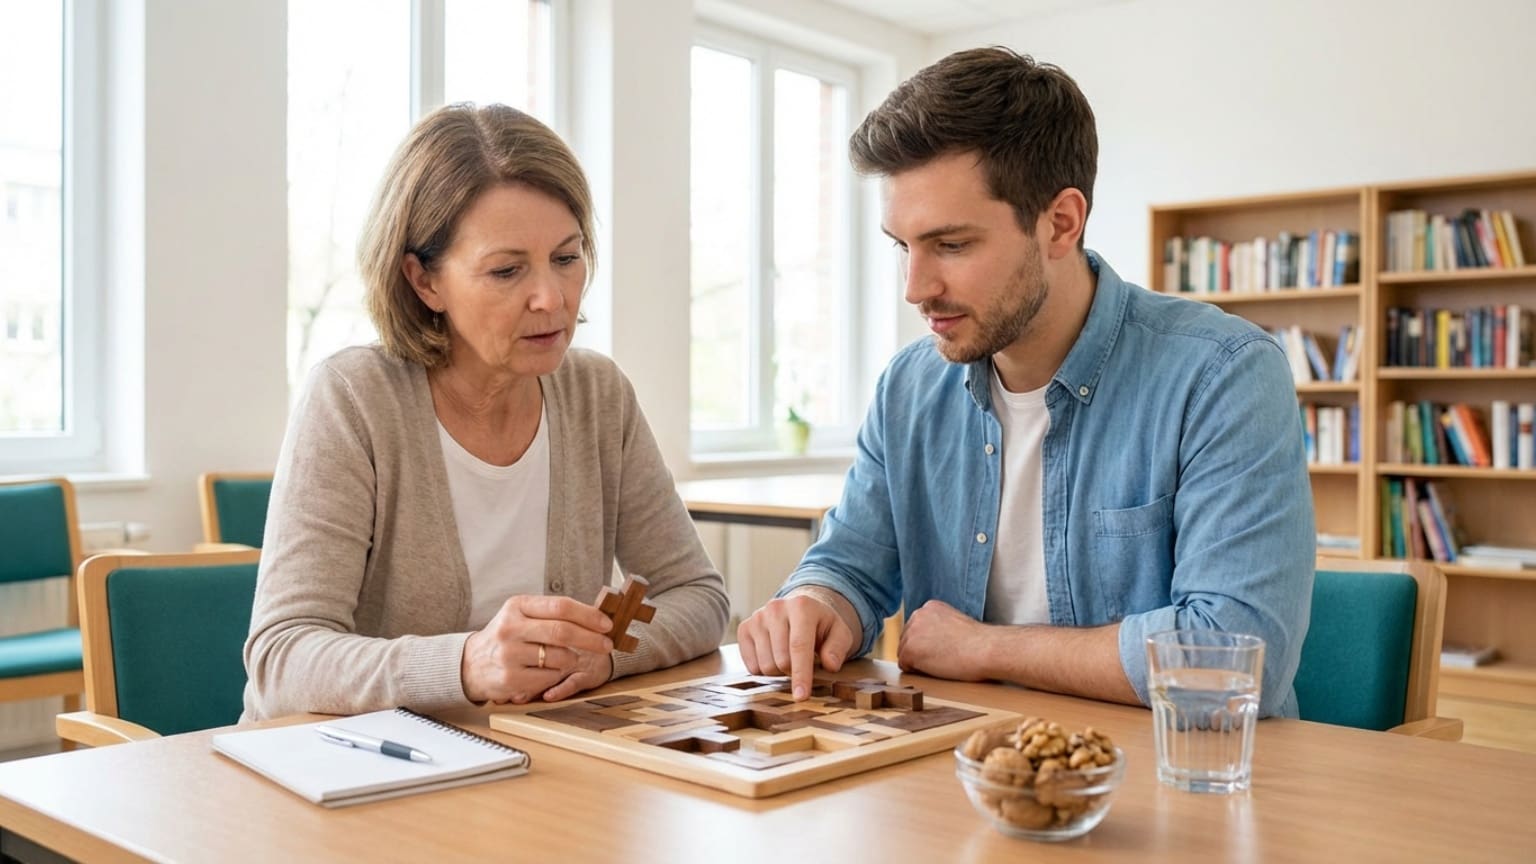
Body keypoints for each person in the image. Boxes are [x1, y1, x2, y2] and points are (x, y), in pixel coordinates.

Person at [737, 48, 1314, 718]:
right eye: (904, 246)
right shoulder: (910, 386)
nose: (915, 289)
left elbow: (1239, 658)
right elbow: (850, 566)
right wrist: (815, 604)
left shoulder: (1223, 374)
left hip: (1171, 787)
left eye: (951, 245)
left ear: (1060, 223)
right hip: (959, 773)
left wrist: (987, 648)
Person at [243, 104, 728, 720]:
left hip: (530, 762)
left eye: (567, 257)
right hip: (357, 775)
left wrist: (604, 657)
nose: (551, 298)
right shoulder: (353, 397)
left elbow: (699, 597)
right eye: (506, 270)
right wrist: (467, 664)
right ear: (424, 282)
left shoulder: (598, 395)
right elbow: (283, 658)